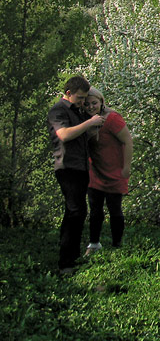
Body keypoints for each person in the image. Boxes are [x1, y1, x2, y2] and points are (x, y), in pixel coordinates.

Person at [47, 76, 105, 274]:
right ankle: (66, 264)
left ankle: (71, 257)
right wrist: (88, 124)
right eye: (80, 98)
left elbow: (80, 135)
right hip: (67, 167)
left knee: (77, 213)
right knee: (75, 212)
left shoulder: (76, 112)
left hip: (80, 167)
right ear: (69, 93)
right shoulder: (58, 110)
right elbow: (63, 135)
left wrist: (94, 126)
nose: (82, 102)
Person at [84, 87, 133, 255]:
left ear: (101, 102)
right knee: (95, 209)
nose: (91, 107)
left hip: (115, 171)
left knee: (115, 209)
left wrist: (126, 167)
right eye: (87, 104)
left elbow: (127, 141)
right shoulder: (86, 121)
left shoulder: (112, 119)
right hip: (95, 171)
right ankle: (94, 243)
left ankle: (117, 244)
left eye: (94, 103)